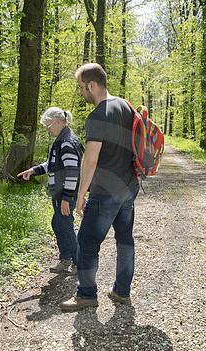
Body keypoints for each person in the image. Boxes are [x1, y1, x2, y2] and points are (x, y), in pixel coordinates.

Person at [60, 63, 140, 311]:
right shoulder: (125, 105)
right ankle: (121, 291)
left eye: (81, 88)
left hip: (106, 194)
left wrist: (80, 195)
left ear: (91, 85)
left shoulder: (97, 115)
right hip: (129, 187)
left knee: (86, 243)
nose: (81, 93)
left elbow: (91, 159)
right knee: (125, 241)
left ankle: (86, 294)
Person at [17, 107, 83, 274]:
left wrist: (67, 198)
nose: (47, 130)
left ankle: (78, 262)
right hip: (59, 193)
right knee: (58, 223)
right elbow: (52, 164)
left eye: (48, 126)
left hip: (65, 194)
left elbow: (72, 172)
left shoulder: (67, 142)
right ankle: (66, 259)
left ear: (58, 123)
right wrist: (34, 170)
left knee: (64, 224)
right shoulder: (59, 140)